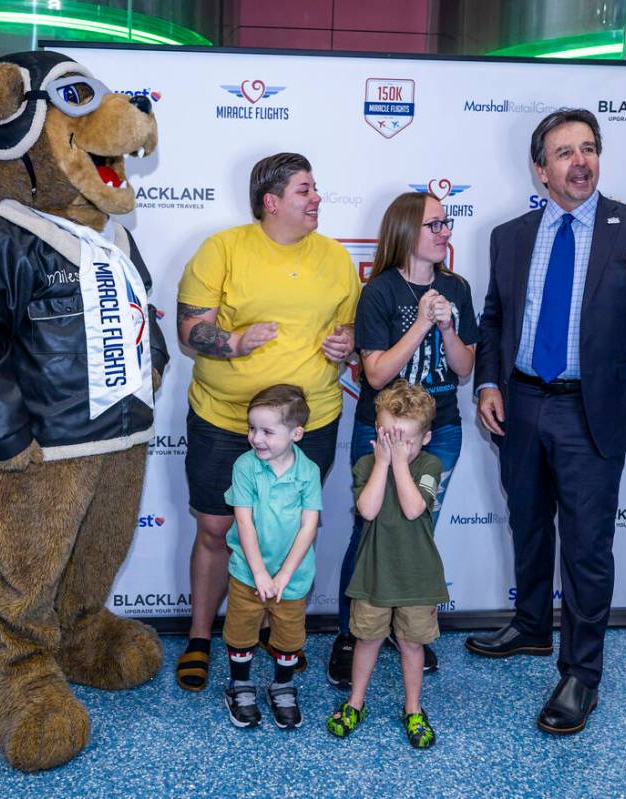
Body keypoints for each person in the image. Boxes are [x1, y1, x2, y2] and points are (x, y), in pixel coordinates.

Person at [468, 108, 626, 735]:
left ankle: (580, 674)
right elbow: (493, 319)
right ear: (540, 169)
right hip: (522, 402)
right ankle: (532, 625)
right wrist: (488, 381)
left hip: (591, 412)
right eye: (564, 152)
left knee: (589, 548)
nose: (580, 161)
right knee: (529, 525)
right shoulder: (509, 235)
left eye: (588, 148)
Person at [175, 152, 361, 692]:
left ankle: (278, 637)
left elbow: (348, 329)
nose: (316, 197)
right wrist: (233, 341)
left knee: (288, 531)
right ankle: (200, 637)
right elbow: (190, 331)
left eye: (316, 187)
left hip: (310, 423)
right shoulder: (223, 250)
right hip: (225, 419)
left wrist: (345, 343)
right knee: (215, 527)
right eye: (305, 189)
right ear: (271, 201)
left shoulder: (334, 259)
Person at [327, 191, 478, 688]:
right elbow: (373, 375)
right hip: (383, 429)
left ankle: (409, 632)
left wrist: (448, 327)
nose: (445, 232)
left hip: (441, 430)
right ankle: (354, 633)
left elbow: (463, 368)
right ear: (407, 231)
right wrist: (419, 325)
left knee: (418, 525)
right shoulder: (380, 292)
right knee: (368, 528)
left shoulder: (457, 287)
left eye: (446, 223)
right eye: (434, 224)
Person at [326, 380, 448, 749]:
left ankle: (413, 708)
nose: (396, 445)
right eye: (387, 435)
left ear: (425, 438)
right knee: (367, 640)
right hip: (373, 575)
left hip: (416, 577)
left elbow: (413, 508)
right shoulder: (367, 463)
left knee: (412, 646)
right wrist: (384, 463)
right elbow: (367, 509)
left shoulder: (430, 463)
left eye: (405, 440)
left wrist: (397, 463)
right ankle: (355, 703)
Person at [221, 385, 321, 729]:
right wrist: (261, 574)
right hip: (249, 573)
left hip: (292, 578)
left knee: (289, 637)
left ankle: (282, 685)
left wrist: (282, 576)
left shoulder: (308, 472)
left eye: (266, 431)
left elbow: (309, 527)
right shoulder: (244, 467)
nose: (256, 438)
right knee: (241, 632)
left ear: (296, 434)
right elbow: (244, 521)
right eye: (252, 429)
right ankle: (240, 685)